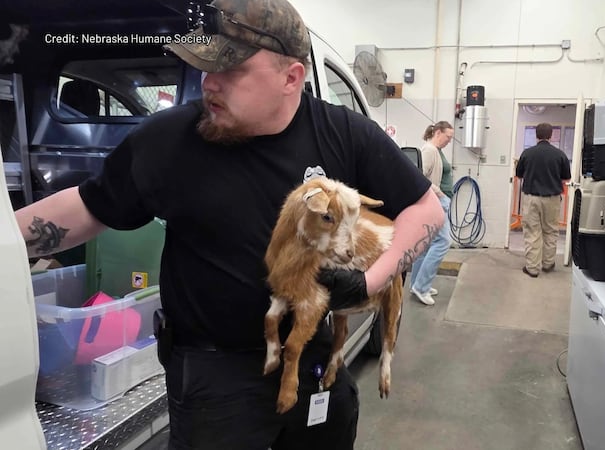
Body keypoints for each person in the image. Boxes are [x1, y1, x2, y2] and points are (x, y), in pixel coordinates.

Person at [14, 0, 444, 448]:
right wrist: (7, 240)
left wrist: (370, 278)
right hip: (212, 379)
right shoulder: (169, 141)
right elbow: (87, 207)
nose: (209, 83)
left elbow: (426, 209)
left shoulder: (343, 134)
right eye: (205, 66)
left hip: (311, 363)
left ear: (291, 78)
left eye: (231, 70)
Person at [515, 122, 571, 278]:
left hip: (531, 198)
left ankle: (532, 268)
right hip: (552, 199)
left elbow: (519, 175)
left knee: (532, 232)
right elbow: (566, 178)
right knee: (551, 231)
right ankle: (548, 264)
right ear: (551, 135)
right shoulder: (560, 155)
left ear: (536, 135)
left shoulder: (527, 153)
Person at [408, 121, 454, 306]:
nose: (449, 141)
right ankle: (421, 286)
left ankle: (416, 284)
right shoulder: (429, 150)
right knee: (443, 242)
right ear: (437, 133)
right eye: (448, 136)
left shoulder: (436, 150)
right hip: (435, 201)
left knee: (426, 245)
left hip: (438, 201)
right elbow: (418, 176)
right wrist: (440, 193)